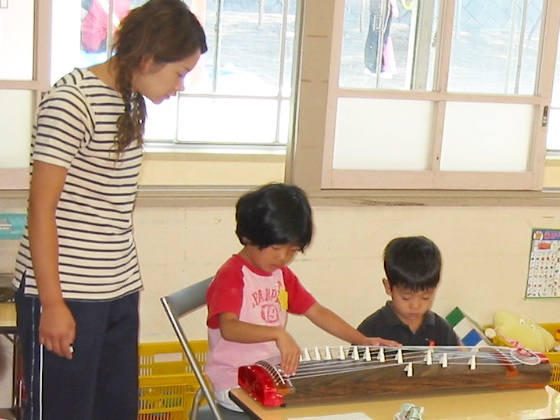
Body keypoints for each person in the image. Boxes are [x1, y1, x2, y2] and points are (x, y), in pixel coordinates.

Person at [12, 1, 207, 419]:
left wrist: (122, 289)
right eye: (180, 73)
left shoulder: (128, 100)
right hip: (67, 293)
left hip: (116, 287)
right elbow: (41, 209)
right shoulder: (72, 101)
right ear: (149, 58)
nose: (181, 86)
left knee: (115, 410)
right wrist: (53, 304)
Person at [205, 183, 401, 412]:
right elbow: (230, 328)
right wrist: (278, 334)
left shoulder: (280, 275)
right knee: (299, 409)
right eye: (276, 248)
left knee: (328, 398)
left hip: (270, 372)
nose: (283, 257)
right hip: (234, 381)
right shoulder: (231, 276)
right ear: (249, 237)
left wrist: (362, 340)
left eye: (292, 250)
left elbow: (316, 311)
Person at [357, 236, 460, 346]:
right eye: (406, 297)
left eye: (425, 297)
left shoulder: (442, 330)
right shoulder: (370, 331)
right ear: (388, 287)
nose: (415, 305)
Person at [363, 0, 399, 78]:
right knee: (381, 35)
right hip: (383, 6)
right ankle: (376, 68)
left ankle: (369, 65)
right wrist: (394, 6)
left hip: (375, 5)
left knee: (373, 33)